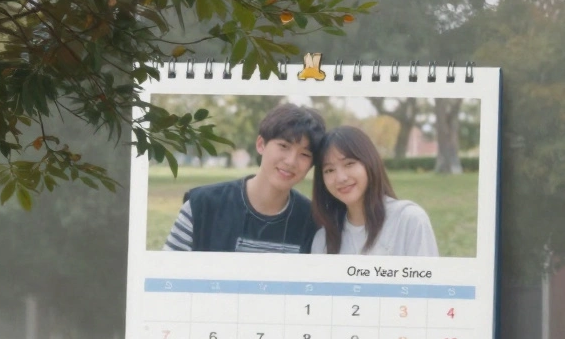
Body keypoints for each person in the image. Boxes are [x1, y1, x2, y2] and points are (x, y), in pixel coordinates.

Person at [164, 102, 326, 253]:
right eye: (284, 146)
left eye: (304, 154)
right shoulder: (201, 206)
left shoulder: (314, 222)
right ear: (261, 144)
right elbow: (167, 275)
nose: (291, 161)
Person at [310, 125, 439, 256]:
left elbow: (426, 275)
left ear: (370, 163)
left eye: (349, 164)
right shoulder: (323, 240)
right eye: (329, 170)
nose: (341, 178)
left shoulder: (409, 220)